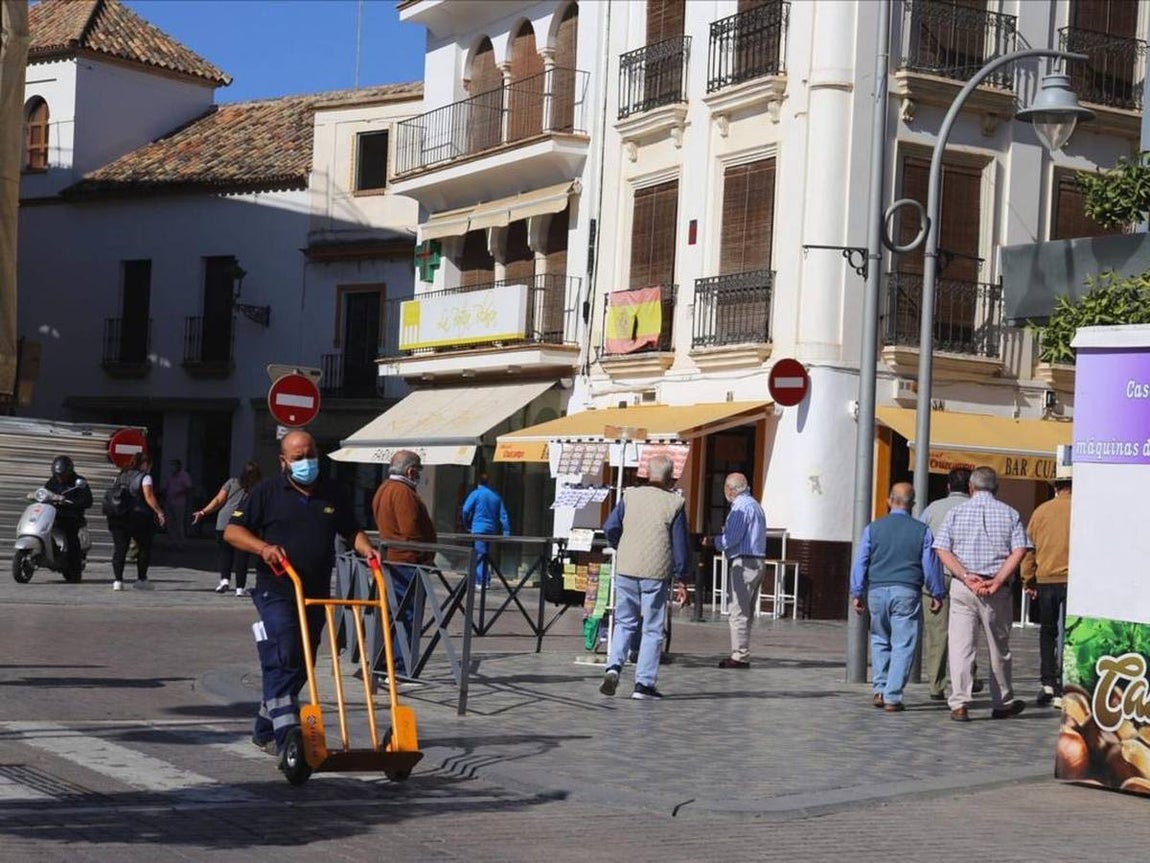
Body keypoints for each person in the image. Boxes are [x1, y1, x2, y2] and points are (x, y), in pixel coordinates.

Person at [223, 431, 378, 764]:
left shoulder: (334, 491)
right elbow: (232, 531)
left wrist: (368, 551)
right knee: (286, 650)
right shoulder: (266, 492)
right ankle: (287, 735)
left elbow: (351, 530)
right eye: (297, 457)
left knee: (302, 662)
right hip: (276, 587)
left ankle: (265, 726)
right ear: (283, 461)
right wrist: (263, 548)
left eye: (310, 455)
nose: (306, 462)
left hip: (316, 590)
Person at [933, 466, 1032, 722]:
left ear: (971, 488)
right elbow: (1020, 549)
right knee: (999, 648)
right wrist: (998, 579)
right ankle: (1002, 702)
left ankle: (959, 703)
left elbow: (942, 549)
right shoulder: (1010, 513)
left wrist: (965, 575)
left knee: (961, 646)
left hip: (964, 587)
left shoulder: (956, 512)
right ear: (996, 488)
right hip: (995, 589)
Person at [598, 454, 692, 701]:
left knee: (625, 621)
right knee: (652, 628)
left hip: (627, 566)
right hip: (655, 570)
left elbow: (609, 527)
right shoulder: (675, 502)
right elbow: (680, 544)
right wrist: (683, 577)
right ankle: (643, 684)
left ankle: (613, 667)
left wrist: (621, 545)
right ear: (671, 476)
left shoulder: (630, 496)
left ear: (648, 474)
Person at [851, 483, 946, 711]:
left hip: (876, 590)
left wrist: (857, 591)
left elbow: (861, 560)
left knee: (879, 638)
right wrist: (937, 591)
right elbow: (930, 564)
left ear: (888, 500)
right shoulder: (922, 530)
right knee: (903, 644)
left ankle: (879, 688)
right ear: (912, 505)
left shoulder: (873, 528)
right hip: (907, 590)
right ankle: (892, 696)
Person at [682, 472, 766, 669]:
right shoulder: (755, 505)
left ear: (730, 490)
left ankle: (739, 655)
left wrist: (713, 541)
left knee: (738, 611)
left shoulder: (740, 507)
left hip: (744, 563)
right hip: (758, 561)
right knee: (747, 611)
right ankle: (742, 651)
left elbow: (732, 538)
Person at [919, 468, 983, 701]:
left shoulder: (932, 509)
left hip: (935, 575)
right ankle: (967, 679)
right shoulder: (976, 510)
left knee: (937, 633)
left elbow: (921, 541)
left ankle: (936, 685)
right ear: (970, 487)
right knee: (966, 632)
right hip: (965, 577)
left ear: (948, 486)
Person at [372, 450, 437, 679]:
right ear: (410, 470)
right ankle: (400, 669)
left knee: (393, 616)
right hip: (406, 564)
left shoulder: (384, 489)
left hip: (393, 561)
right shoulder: (403, 493)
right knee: (406, 616)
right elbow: (411, 531)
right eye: (418, 470)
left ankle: (384, 665)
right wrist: (425, 555)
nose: (418, 474)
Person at [1022, 461, 1072, 710]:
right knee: (1071, 634)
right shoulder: (1086, 509)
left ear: (1056, 487)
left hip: (1047, 579)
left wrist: (1028, 578)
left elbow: (1029, 549)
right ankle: (1068, 684)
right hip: (1075, 582)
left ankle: (1048, 684)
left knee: (1048, 632)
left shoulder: (1041, 511)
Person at [193, 461, 262, 596]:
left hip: (224, 522)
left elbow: (218, 500)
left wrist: (203, 512)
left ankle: (224, 581)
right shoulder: (259, 488)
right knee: (242, 557)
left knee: (225, 553)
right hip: (243, 524)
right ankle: (240, 589)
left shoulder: (232, 482)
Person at [107, 452, 166, 591]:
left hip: (118, 517)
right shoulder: (145, 477)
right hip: (138, 518)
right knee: (144, 547)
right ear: (145, 464)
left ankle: (118, 581)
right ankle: (141, 579)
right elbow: (149, 496)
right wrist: (159, 512)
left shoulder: (121, 475)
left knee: (120, 549)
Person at [44, 455, 93, 579]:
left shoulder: (79, 482)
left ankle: (75, 570)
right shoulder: (52, 482)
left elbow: (88, 501)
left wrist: (71, 502)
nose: (60, 478)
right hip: (54, 517)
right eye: (58, 475)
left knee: (72, 540)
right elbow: (46, 492)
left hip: (72, 518)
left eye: (63, 475)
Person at [461, 473, 510, 588]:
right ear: (489, 482)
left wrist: (466, 523)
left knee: (480, 554)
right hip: (491, 530)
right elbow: (503, 516)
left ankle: (481, 581)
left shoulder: (476, 494)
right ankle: (485, 578)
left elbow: (465, 510)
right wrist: (506, 531)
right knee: (485, 554)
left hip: (478, 529)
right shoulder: (495, 496)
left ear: (478, 483)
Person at [164, 459, 193, 550]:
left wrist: (179, 493)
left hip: (179, 503)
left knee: (179, 523)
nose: (172, 468)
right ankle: (172, 543)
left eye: (174, 465)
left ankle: (181, 543)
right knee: (170, 523)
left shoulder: (184, 476)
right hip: (169, 502)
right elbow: (167, 487)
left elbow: (188, 488)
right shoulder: (171, 476)